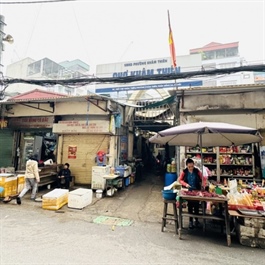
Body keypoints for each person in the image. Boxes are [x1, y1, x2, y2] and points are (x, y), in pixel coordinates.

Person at [178, 158, 203, 229]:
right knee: (190, 206)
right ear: (187, 166)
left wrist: (203, 184)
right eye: (189, 167)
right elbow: (180, 180)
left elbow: (202, 178)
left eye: (192, 166)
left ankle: (197, 220)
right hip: (188, 191)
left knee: (197, 206)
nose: (191, 168)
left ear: (193, 165)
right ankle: (191, 221)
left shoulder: (197, 171)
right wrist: (186, 184)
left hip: (196, 191)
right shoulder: (184, 172)